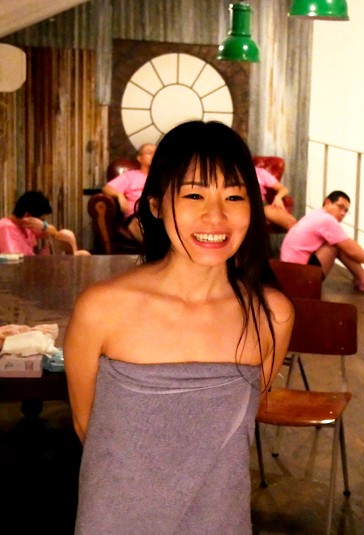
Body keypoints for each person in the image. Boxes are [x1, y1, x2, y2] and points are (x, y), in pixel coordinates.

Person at [64, 121, 294, 534]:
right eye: (193, 195)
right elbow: (87, 426)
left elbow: (235, 422)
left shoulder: (272, 315)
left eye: (234, 196)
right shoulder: (101, 309)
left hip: (220, 522)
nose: (215, 215)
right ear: (156, 204)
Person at [280, 190, 364, 292]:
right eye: (340, 207)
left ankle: (363, 279)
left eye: (346, 211)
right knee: (338, 246)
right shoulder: (327, 219)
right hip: (298, 278)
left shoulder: (315, 214)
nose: (343, 213)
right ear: (328, 203)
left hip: (286, 274)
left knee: (339, 243)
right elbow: (351, 249)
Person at [0, 190, 90, 255]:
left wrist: (44, 226)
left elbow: (54, 233)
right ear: (27, 216)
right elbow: (11, 260)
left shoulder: (26, 225)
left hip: (32, 263)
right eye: (42, 220)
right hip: (24, 268)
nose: (43, 222)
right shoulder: (6, 227)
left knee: (66, 235)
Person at [101, 142, 156, 242]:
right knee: (138, 223)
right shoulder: (131, 176)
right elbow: (107, 188)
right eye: (149, 153)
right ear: (140, 158)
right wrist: (119, 195)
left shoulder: (163, 177)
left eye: (156, 153)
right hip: (137, 214)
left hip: (158, 214)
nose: (154, 155)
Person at [256, 166, 297, 230]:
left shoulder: (260, 172)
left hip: (261, 205)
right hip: (242, 205)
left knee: (292, 222)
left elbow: (284, 189)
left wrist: (278, 198)